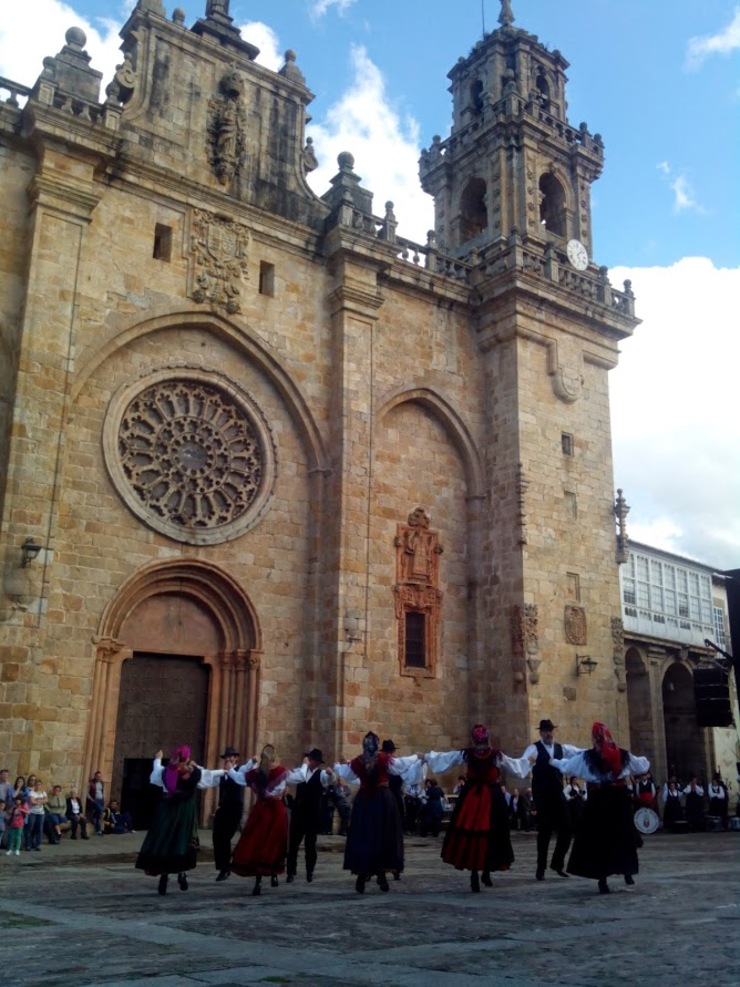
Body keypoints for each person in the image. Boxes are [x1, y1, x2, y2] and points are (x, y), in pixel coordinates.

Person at [423, 724, 532, 892]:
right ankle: (484, 872)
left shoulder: (467, 754)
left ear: (473, 739)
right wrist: (528, 763)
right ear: (487, 738)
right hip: (490, 797)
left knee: (473, 833)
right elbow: (514, 766)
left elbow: (447, 759)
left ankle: (476, 873)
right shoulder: (495, 755)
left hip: (473, 798)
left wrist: (427, 757)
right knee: (492, 833)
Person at [550, 721, 650, 894]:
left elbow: (567, 766)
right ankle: (627, 871)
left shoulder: (587, 757)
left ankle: (602, 879)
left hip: (599, 801)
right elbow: (642, 765)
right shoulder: (622, 755)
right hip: (618, 800)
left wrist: (552, 761)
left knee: (599, 839)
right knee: (622, 836)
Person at [334, 732, 420, 893]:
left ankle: (362, 876)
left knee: (364, 836)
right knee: (384, 836)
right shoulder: (384, 760)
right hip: (382, 801)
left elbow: (346, 772)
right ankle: (381, 875)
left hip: (364, 802)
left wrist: (341, 764)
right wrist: (416, 757)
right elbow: (401, 765)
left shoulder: (358, 761)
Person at [519, 718, 583, 881]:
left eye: (550, 730)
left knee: (567, 828)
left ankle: (557, 863)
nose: (549, 733)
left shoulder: (562, 748)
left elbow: (578, 753)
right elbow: (523, 762)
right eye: (546, 730)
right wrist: (527, 763)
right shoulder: (534, 748)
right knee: (544, 832)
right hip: (542, 794)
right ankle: (541, 868)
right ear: (541, 733)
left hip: (557, 793)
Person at [135, 746, 202, 895]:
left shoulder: (168, 771)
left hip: (168, 810)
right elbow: (203, 779)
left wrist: (158, 759)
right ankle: (181, 873)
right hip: (184, 811)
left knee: (166, 840)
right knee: (181, 841)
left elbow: (155, 775)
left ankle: (165, 877)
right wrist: (224, 772)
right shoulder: (193, 772)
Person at [228, 745, 288, 896]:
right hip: (276, 810)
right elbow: (300, 776)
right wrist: (306, 765)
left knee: (258, 843)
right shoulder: (281, 772)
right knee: (275, 843)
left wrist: (230, 769)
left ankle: (259, 881)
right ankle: (274, 872)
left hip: (261, 810)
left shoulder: (255, 774)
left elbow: (239, 778)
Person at [284, 748, 332, 884]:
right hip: (299, 813)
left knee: (310, 845)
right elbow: (293, 777)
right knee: (293, 845)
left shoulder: (321, 774)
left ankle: (309, 871)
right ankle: (291, 872)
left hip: (312, 814)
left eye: (314, 760)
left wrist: (331, 774)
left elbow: (330, 780)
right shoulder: (302, 771)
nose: (311, 762)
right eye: (310, 760)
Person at [212, 746, 246, 883]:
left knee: (226, 836)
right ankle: (222, 867)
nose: (228, 759)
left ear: (236, 758)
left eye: (231, 757)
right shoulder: (222, 773)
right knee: (216, 836)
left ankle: (226, 868)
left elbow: (240, 780)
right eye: (226, 757)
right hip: (223, 808)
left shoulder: (240, 771)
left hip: (235, 808)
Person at [26, 779, 48, 851]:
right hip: (33, 812)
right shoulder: (32, 793)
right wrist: (42, 801)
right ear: (34, 785)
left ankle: (37, 845)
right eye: (36, 784)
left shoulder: (43, 793)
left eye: (39, 784)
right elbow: (32, 802)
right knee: (30, 828)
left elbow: (46, 801)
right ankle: (28, 845)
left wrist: (38, 801)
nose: (38, 786)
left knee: (39, 829)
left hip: (41, 813)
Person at [88, 771, 105, 835]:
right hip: (95, 800)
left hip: (101, 800)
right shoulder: (91, 783)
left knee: (99, 814)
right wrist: (91, 799)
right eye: (97, 776)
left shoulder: (102, 783)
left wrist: (104, 797)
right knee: (100, 810)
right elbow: (87, 792)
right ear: (95, 776)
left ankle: (98, 830)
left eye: (100, 777)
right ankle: (98, 828)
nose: (98, 778)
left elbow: (103, 791)